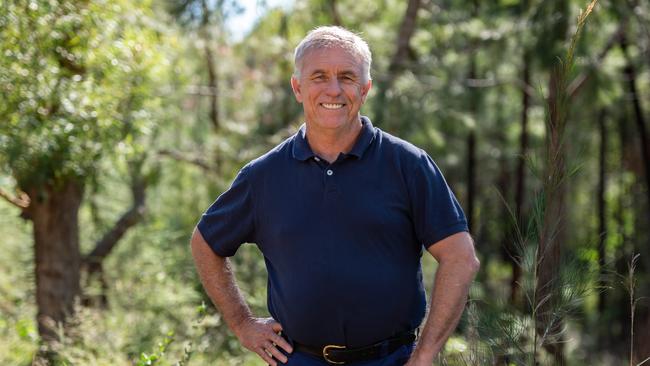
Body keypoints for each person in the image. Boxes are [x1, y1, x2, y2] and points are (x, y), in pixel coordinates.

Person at [191, 26, 480, 366]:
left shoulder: (408, 165)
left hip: (393, 360)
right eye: (319, 76)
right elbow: (205, 243)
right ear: (298, 88)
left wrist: (427, 352)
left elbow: (460, 258)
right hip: (299, 360)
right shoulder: (263, 177)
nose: (334, 89)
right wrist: (242, 323)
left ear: (365, 89)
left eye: (347, 77)